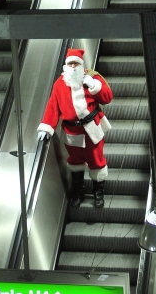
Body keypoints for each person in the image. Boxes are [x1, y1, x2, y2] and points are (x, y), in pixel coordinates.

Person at [37, 48, 113, 209]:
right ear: (66, 65)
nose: (72, 66)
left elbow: (107, 97)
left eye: (75, 63)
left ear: (81, 65)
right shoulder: (59, 83)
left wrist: (94, 86)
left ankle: (98, 193)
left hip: (91, 129)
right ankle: (78, 191)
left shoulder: (92, 78)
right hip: (71, 132)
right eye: (70, 63)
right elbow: (53, 106)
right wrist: (47, 126)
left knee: (96, 160)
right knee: (75, 162)